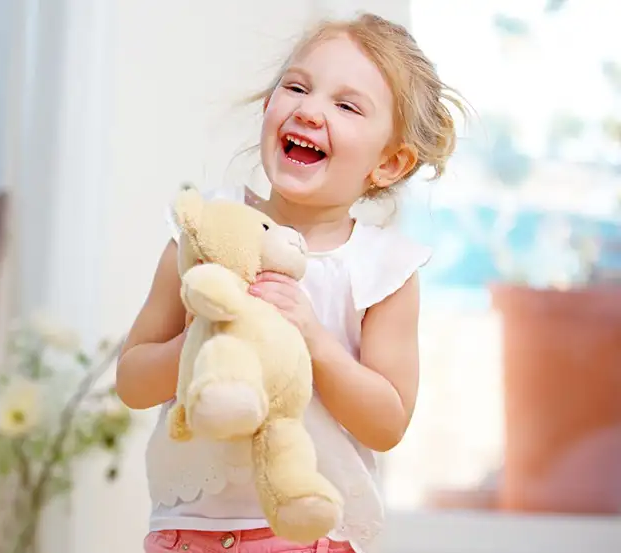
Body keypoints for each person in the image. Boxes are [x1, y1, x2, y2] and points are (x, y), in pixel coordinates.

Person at [116, 12, 466, 553]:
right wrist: (200, 341)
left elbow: (387, 423)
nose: (309, 109)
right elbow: (133, 381)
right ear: (267, 107)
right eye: (297, 87)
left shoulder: (381, 270)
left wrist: (316, 342)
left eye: (346, 106)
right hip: (189, 531)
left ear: (390, 164)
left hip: (311, 534)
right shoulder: (205, 230)